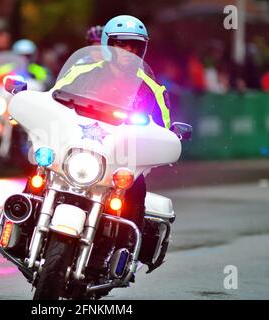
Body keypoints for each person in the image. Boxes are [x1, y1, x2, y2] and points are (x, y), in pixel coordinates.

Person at [54, 15, 171, 265]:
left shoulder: (151, 86)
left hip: (120, 158)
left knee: (135, 188)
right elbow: (53, 98)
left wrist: (166, 137)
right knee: (43, 168)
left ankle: (125, 249)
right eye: (121, 45)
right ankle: (21, 217)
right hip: (80, 148)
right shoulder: (83, 71)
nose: (128, 51)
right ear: (108, 45)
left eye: (134, 46)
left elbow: (165, 128)